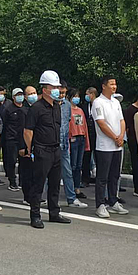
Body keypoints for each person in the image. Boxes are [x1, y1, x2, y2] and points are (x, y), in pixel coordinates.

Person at [24, 70, 72, 229]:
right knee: (38, 184)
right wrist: (31, 149)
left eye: (58, 87)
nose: (57, 90)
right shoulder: (36, 108)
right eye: (54, 87)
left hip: (56, 149)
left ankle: (54, 212)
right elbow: (28, 131)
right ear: (45, 89)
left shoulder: (57, 107)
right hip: (41, 149)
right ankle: (35, 215)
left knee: (55, 183)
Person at [92, 76, 128, 218]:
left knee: (114, 175)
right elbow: (101, 123)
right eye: (111, 84)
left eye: (115, 84)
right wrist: (114, 137)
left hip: (117, 146)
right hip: (104, 146)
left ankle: (113, 201)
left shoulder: (115, 102)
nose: (114, 86)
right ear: (104, 86)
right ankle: (100, 205)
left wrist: (121, 136)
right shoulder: (98, 102)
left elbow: (122, 121)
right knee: (102, 177)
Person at [57, 80, 85, 209]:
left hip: (64, 144)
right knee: (47, 174)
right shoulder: (50, 104)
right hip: (51, 144)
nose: (61, 95)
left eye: (64, 93)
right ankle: (42, 198)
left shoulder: (67, 105)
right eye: (60, 92)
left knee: (68, 172)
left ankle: (71, 198)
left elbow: (67, 123)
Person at [2, 88, 26, 192]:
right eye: (17, 95)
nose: (20, 97)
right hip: (11, 139)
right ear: (13, 97)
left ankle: (22, 181)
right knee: (11, 161)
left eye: (21, 94)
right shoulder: (8, 109)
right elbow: (4, 124)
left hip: (23, 139)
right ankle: (12, 181)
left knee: (24, 162)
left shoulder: (25, 109)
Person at [68, 88, 90, 202]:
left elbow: (84, 125)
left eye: (77, 96)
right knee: (73, 165)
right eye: (74, 96)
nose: (76, 98)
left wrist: (87, 142)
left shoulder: (80, 110)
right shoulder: (67, 110)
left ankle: (77, 188)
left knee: (79, 165)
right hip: (73, 138)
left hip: (81, 138)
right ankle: (71, 188)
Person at [18, 85, 37, 202]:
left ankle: (35, 195)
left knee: (36, 173)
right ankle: (27, 196)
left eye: (34, 93)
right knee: (27, 172)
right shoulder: (23, 111)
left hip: (37, 144)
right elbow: (20, 130)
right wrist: (22, 146)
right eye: (30, 94)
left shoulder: (38, 108)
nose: (33, 96)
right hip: (25, 144)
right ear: (25, 97)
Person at [123, 94, 138, 198]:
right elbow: (126, 126)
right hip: (134, 140)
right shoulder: (130, 110)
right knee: (136, 163)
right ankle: (137, 187)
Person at [82, 87, 98, 187]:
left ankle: (99, 178)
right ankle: (85, 179)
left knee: (98, 157)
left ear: (92, 94)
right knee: (86, 157)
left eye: (88, 94)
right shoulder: (84, 106)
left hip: (97, 135)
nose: (86, 96)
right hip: (87, 134)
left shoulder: (99, 104)